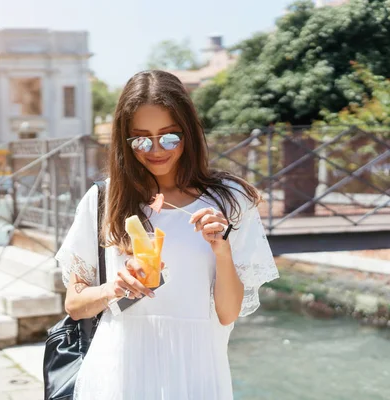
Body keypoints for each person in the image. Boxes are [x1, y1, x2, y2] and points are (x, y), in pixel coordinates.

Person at [55, 70, 279, 400]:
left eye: (170, 136)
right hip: (118, 371)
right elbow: (74, 305)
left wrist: (222, 248)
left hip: (198, 372)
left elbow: (228, 313)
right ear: (125, 141)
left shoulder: (231, 200)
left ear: (188, 133)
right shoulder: (103, 200)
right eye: (142, 139)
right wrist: (113, 288)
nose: (156, 149)